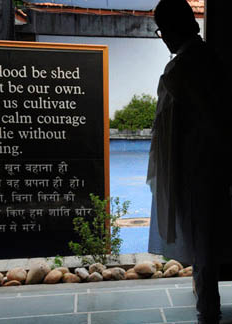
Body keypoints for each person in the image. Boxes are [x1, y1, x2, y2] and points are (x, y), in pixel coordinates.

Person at [147, 1, 232, 322]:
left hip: (199, 167)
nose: (163, 38)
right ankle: (206, 306)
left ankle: (207, 310)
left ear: (173, 29)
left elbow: (206, 120)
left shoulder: (187, 66)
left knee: (203, 239)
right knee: (204, 237)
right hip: (205, 165)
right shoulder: (207, 58)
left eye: (162, 31)